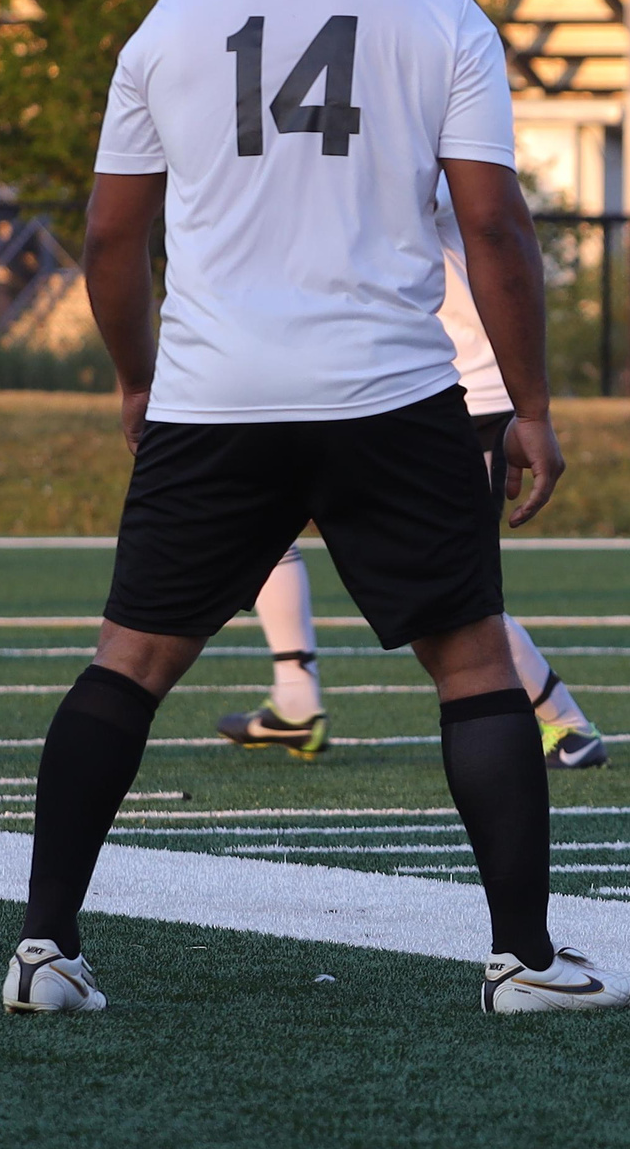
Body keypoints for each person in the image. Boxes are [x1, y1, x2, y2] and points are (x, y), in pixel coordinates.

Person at [3, 0, 630, 1018]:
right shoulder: (441, 15)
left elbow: (112, 239)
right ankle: (524, 961)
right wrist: (529, 402)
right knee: (472, 664)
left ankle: (43, 951)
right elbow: (494, 227)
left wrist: (138, 375)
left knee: (128, 663)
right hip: (389, 390)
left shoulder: (173, 19)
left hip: (215, 392)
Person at [218, 176, 607, 770]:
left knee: (453, 589)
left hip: (457, 392)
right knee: (260, 522)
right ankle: (296, 698)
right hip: (388, 387)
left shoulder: (424, 154)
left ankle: (568, 726)